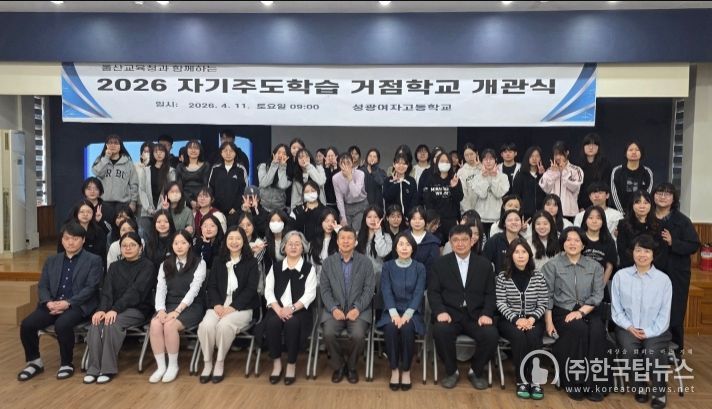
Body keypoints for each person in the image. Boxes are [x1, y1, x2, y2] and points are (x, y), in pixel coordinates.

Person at [17, 222, 103, 381]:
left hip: (77, 305)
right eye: (67, 238)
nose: (70, 242)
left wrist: (68, 303)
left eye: (75, 239)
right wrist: (48, 302)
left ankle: (66, 363)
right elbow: (43, 285)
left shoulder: (93, 260)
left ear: (83, 240)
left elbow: (91, 288)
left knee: (62, 324)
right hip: (52, 304)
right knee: (27, 324)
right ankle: (34, 362)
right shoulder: (52, 260)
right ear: (62, 240)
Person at [429, 225, 498, 390]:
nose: (460, 244)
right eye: (456, 240)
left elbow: (490, 294)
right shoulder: (440, 264)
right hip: (450, 314)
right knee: (440, 330)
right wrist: (440, 311)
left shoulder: (485, 265)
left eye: (464, 239)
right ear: (450, 242)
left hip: (476, 316)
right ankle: (451, 371)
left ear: (472, 241)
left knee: (491, 334)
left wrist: (486, 313)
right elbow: (433, 292)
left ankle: (476, 371)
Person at [541, 227, 606, 401]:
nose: (572, 243)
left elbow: (598, 295)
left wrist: (581, 312)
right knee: (578, 329)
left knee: (598, 331)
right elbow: (546, 296)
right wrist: (548, 322)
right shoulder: (552, 266)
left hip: (588, 310)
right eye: (568, 240)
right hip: (562, 312)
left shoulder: (595, 266)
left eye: (577, 240)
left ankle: (594, 384)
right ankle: (574, 382)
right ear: (563, 243)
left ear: (583, 245)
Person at [84, 232, 154, 384]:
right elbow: (107, 291)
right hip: (113, 309)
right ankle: (94, 368)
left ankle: (107, 369)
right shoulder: (114, 266)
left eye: (132, 245)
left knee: (111, 323)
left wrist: (115, 309)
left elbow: (136, 292)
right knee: (96, 322)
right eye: (124, 246)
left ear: (140, 248)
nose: (128, 248)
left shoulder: (147, 266)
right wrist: (101, 310)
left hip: (137, 309)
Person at [611, 234, 673, 409]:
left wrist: (649, 332)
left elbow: (664, 314)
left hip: (656, 329)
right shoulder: (620, 276)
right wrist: (629, 327)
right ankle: (639, 386)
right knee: (629, 350)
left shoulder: (663, 280)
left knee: (653, 352)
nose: (642, 255)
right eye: (638, 250)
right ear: (632, 253)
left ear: (654, 254)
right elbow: (616, 309)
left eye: (647, 251)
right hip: (627, 327)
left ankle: (659, 392)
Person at [197, 226, 259, 384]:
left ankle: (219, 362)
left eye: (238, 238)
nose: (234, 242)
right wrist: (217, 305)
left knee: (224, 326)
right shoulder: (218, 261)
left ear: (244, 241)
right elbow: (211, 286)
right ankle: (207, 363)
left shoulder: (251, 262)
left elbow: (251, 289)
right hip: (218, 305)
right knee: (206, 326)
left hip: (241, 307)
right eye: (230, 238)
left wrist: (232, 307)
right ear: (225, 241)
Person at [149, 230, 207, 383]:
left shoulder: (199, 263)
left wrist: (177, 310)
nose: (179, 246)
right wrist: (160, 310)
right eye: (176, 243)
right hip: (169, 304)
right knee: (155, 324)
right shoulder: (165, 264)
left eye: (183, 243)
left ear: (189, 245)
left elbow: (194, 290)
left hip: (191, 306)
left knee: (170, 325)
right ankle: (161, 367)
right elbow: (161, 289)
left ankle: (173, 366)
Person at [320, 226, 375, 384]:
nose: (346, 241)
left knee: (358, 335)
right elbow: (325, 290)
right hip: (334, 310)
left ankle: (351, 366)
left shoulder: (366, 263)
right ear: (337, 241)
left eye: (349, 238)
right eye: (342, 238)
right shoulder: (328, 263)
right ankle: (339, 366)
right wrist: (333, 308)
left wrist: (357, 308)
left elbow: (369, 290)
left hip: (359, 311)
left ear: (355, 242)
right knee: (328, 334)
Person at [495, 238, 548, 400]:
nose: (520, 255)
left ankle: (535, 380)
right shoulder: (503, 276)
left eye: (524, 252)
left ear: (529, 255)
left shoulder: (538, 276)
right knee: (519, 337)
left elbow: (543, 302)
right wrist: (516, 320)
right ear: (510, 255)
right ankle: (522, 380)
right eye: (516, 252)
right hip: (509, 320)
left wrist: (531, 319)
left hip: (534, 320)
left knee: (533, 337)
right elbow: (500, 302)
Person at [653, 183, 700, 357]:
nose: (662, 197)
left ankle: (675, 352)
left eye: (667, 194)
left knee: (675, 311)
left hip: (677, 272)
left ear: (674, 199)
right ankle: (653, 350)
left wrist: (674, 243)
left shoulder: (682, 220)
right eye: (659, 193)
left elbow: (694, 245)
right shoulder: (648, 218)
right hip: (653, 272)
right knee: (652, 309)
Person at [264, 231, 317, 386]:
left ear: (303, 247)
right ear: (284, 247)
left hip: (299, 311)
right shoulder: (275, 267)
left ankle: (291, 364)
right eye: (290, 244)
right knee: (273, 323)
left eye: (297, 244)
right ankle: (277, 364)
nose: (293, 247)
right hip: (277, 309)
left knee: (292, 323)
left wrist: (291, 308)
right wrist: (278, 309)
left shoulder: (309, 269)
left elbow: (310, 294)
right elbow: (268, 291)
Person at [378, 233, 426, 391]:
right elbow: (386, 290)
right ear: (395, 247)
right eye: (401, 244)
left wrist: (407, 315)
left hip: (412, 312)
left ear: (413, 248)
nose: (404, 248)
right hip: (391, 311)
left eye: (408, 245)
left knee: (407, 329)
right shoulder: (387, 266)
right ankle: (394, 369)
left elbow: (418, 293)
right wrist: (394, 314)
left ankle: (406, 370)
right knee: (391, 328)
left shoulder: (419, 267)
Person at [91, 134, 139, 225]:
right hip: (104, 203)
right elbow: (97, 172)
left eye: (116, 143)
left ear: (120, 146)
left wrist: (133, 202)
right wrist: (106, 158)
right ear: (106, 145)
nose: (113, 145)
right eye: (110, 143)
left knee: (121, 228)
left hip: (123, 204)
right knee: (105, 228)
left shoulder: (128, 163)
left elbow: (134, 184)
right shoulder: (100, 159)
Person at [616, 190, 667, 269]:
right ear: (632, 205)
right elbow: (622, 250)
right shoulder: (623, 224)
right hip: (629, 269)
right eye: (637, 202)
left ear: (651, 205)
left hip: (654, 269)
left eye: (646, 203)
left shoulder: (660, 224)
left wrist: (648, 268)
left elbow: (662, 252)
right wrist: (637, 268)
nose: (642, 206)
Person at [422, 151, 464, 245]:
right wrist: (432, 220)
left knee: (452, 245)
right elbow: (427, 201)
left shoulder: (455, 178)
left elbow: (459, 198)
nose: (444, 163)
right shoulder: (430, 179)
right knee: (436, 246)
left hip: (451, 220)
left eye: (447, 161)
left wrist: (453, 187)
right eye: (442, 161)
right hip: (435, 222)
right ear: (437, 163)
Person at [138, 143, 176, 241]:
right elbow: (142, 190)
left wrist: (160, 209)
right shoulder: (145, 170)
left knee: (162, 237)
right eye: (156, 151)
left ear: (166, 154)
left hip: (163, 210)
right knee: (145, 238)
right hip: (146, 211)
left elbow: (171, 191)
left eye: (161, 151)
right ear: (152, 154)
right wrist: (148, 208)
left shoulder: (170, 171)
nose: (159, 154)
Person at [538, 141, 584, 220]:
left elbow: (575, 187)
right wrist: (553, 173)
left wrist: (564, 172)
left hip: (569, 212)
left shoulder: (576, 169)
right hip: (552, 212)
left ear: (567, 153)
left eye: (561, 154)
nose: (558, 157)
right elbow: (545, 188)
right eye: (556, 154)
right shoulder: (550, 170)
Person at [581, 206, 618, 294]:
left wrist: (600, 288)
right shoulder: (579, 239)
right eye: (590, 218)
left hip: (600, 286)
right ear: (585, 220)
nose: (594, 221)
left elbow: (609, 267)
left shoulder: (609, 241)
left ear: (603, 221)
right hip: (579, 286)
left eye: (598, 218)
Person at [473, 148, 510, 235]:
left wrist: (495, 178)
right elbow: (482, 195)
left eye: (491, 159)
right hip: (481, 217)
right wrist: (483, 178)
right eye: (485, 159)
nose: (488, 161)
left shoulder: (503, 177)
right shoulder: (477, 177)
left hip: (497, 217)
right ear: (482, 161)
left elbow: (498, 194)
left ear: (495, 160)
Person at [611, 140, 654, 214]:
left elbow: (648, 194)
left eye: (637, 150)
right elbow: (614, 194)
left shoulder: (647, 171)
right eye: (630, 150)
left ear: (641, 153)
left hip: (640, 213)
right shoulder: (617, 171)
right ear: (625, 153)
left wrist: (639, 211)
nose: (634, 152)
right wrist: (621, 213)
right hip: (620, 213)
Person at [209, 141, 248, 217]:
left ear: (235, 153)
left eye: (231, 151)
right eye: (225, 151)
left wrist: (236, 207)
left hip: (235, 211)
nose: (228, 153)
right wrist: (214, 207)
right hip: (217, 210)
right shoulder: (215, 168)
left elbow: (244, 190)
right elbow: (210, 188)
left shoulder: (241, 169)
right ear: (221, 153)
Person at [356, 205, 393, 283]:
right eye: (369, 217)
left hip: (379, 276)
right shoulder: (357, 235)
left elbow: (382, 253)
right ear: (365, 219)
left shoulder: (387, 237)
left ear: (380, 219)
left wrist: (378, 232)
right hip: (361, 276)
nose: (372, 220)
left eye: (376, 217)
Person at [332, 153, 368, 229]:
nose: (346, 166)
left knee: (357, 229)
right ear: (339, 164)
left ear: (352, 163)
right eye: (343, 163)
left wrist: (349, 177)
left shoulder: (360, 174)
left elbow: (355, 194)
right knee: (346, 229)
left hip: (361, 204)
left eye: (348, 163)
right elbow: (339, 199)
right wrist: (343, 217)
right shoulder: (335, 178)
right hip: (347, 206)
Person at [577, 133, 612, 210]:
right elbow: (577, 188)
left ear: (598, 147)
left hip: (601, 204)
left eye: (594, 145)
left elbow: (606, 186)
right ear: (583, 147)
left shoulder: (605, 164)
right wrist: (580, 206)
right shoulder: (578, 165)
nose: (591, 147)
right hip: (582, 206)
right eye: (588, 144)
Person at [510, 146, 546, 220]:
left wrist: (543, 175)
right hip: (525, 214)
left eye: (537, 156)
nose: (534, 159)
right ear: (527, 158)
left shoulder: (545, 175)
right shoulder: (520, 175)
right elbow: (516, 195)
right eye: (531, 156)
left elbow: (547, 192)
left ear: (541, 158)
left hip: (541, 214)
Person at [484, 209, 524, 275]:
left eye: (517, 220)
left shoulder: (523, 242)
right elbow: (484, 264)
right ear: (504, 224)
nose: (514, 222)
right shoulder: (495, 240)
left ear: (521, 223)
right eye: (510, 220)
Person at [175, 140, 211, 209]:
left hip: (202, 200)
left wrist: (200, 200)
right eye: (190, 148)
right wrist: (190, 201)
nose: (193, 150)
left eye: (196, 148)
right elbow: (179, 187)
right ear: (186, 150)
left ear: (200, 151)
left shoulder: (206, 165)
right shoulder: (180, 166)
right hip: (185, 201)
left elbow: (207, 185)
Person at [258, 143, 292, 212]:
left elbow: (282, 185)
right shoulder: (263, 166)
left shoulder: (289, 171)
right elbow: (263, 184)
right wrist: (274, 165)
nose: (281, 155)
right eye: (279, 152)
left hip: (279, 210)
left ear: (288, 157)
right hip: (262, 207)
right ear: (274, 154)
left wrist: (282, 167)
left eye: (284, 153)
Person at [405, 206, 441, 271]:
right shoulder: (402, 237)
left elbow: (433, 265)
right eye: (414, 219)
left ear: (425, 221)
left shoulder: (433, 242)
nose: (417, 222)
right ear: (409, 221)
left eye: (421, 219)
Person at [308, 207, 339, 279]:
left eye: (333, 222)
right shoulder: (313, 242)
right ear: (321, 222)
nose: (330, 224)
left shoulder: (339, 242)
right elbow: (311, 266)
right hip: (317, 281)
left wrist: (340, 233)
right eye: (327, 221)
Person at [383, 152, 417, 218]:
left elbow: (414, 201)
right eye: (398, 163)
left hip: (408, 218)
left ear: (408, 165)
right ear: (394, 164)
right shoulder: (388, 181)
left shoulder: (411, 181)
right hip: (393, 218)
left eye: (404, 164)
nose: (401, 166)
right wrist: (395, 183)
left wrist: (409, 217)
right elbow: (387, 197)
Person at [457, 143, 482, 214]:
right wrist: (469, 211)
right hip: (467, 211)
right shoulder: (461, 171)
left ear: (476, 153)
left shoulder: (483, 168)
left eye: (471, 154)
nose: (469, 157)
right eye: (466, 155)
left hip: (483, 211)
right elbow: (463, 194)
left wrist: (481, 167)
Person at [322, 146, 340, 216]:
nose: (330, 158)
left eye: (332, 156)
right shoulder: (322, 170)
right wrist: (327, 168)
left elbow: (336, 182)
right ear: (325, 158)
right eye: (328, 156)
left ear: (336, 156)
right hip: (326, 203)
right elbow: (326, 183)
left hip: (338, 203)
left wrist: (335, 167)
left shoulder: (340, 169)